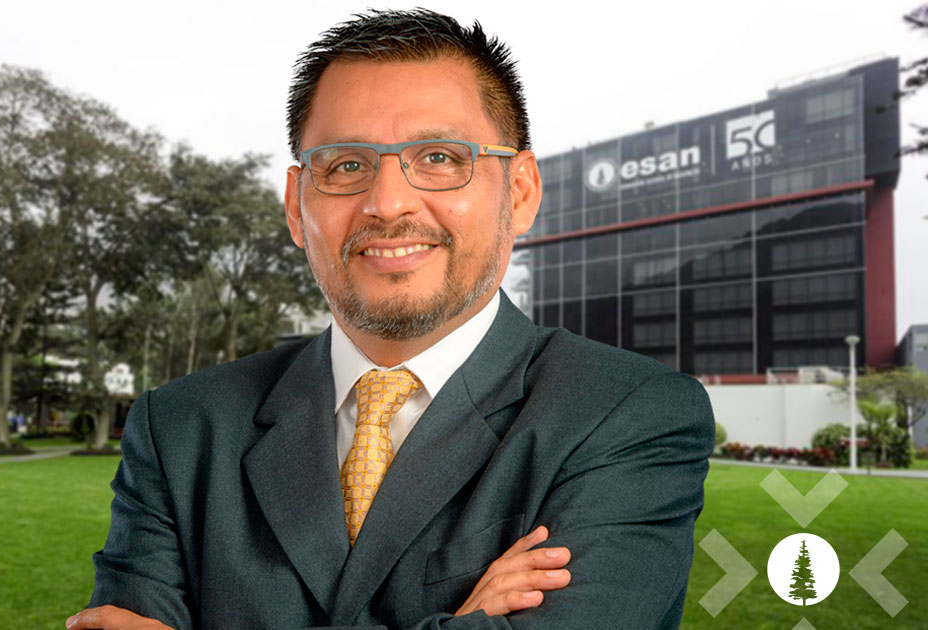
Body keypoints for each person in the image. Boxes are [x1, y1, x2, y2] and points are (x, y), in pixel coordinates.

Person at [69, 9, 714, 630]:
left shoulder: (628, 414)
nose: (387, 202)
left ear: (519, 193)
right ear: (296, 206)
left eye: (440, 158)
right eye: (347, 165)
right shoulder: (180, 428)